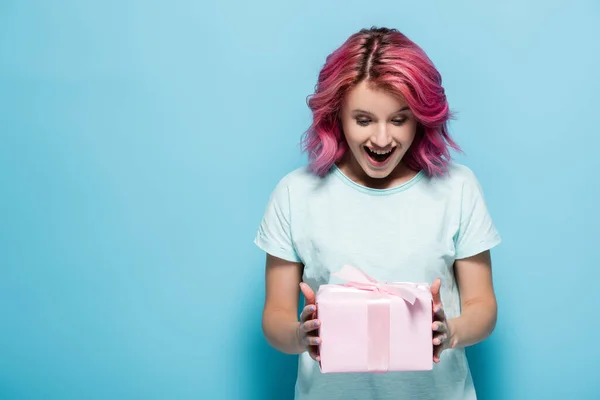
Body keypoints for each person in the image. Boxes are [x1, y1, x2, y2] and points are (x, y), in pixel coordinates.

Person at [254, 26, 501, 400]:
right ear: (336, 116)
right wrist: (300, 336)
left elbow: (483, 307)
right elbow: (275, 317)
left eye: (399, 120)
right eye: (364, 120)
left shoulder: (457, 188)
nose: (382, 140)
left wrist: (451, 332)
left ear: (421, 118)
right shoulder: (295, 193)